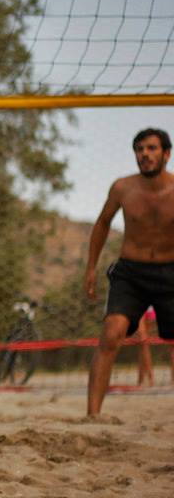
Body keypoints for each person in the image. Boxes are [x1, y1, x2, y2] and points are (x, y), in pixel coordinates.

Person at [86, 128, 174, 415]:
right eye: (139, 149)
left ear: (166, 154)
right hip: (131, 273)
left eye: (151, 148)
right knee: (111, 333)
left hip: (170, 272)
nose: (144, 154)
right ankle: (92, 415)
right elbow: (102, 223)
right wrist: (91, 268)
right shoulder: (122, 187)